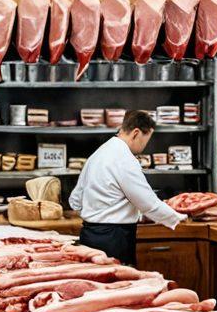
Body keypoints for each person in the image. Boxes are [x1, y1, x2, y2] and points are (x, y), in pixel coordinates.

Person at [69, 109, 185, 264]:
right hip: (114, 239)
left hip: (89, 235)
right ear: (136, 133)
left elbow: (75, 200)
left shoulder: (99, 153)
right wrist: (178, 218)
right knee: (116, 278)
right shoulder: (124, 158)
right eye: (146, 139)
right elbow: (148, 204)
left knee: (93, 278)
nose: (145, 145)